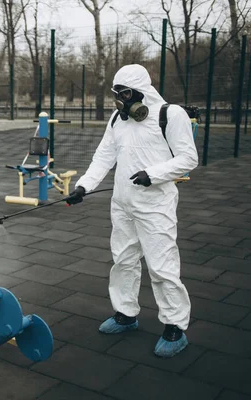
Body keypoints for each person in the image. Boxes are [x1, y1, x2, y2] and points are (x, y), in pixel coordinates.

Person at [65, 64, 198, 358]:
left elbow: (189, 158)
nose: (121, 100)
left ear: (141, 91)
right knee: (123, 260)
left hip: (155, 204)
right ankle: (125, 313)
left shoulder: (170, 115)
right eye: (118, 93)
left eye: (126, 94)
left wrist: (154, 173)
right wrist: (83, 186)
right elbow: (103, 156)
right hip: (122, 203)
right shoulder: (117, 119)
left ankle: (175, 326)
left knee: (162, 266)